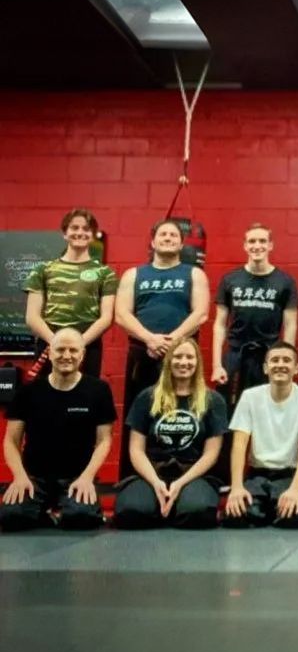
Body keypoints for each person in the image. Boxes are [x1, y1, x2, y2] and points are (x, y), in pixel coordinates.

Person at [114, 219, 210, 477]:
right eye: (163, 234)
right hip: (143, 352)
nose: (168, 238)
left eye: (173, 235)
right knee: (141, 413)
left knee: (181, 413)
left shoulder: (194, 274)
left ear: (181, 243)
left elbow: (200, 313)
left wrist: (172, 342)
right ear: (153, 242)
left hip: (181, 355)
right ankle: (133, 477)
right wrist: (150, 339)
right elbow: (122, 314)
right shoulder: (134, 275)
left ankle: (182, 475)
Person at [0, 329, 115, 532]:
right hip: (34, 479)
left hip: (76, 478)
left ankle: (68, 510)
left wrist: (87, 478)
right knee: (11, 517)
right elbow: (11, 440)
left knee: (81, 517)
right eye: (60, 350)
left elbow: (105, 440)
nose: (66, 356)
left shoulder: (99, 390)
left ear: (82, 355)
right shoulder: (28, 391)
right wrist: (19, 477)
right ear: (50, 353)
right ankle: (43, 514)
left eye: (73, 350)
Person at [114, 337, 227, 529]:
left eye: (189, 357)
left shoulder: (213, 400)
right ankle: (160, 501)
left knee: (198, 514)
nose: (184, 362)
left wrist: (180, 483)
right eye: (178, 357)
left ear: (197, 362)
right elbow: (136, 450)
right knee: (130, 513)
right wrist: (156, 482)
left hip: (192, 473)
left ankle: (177, 502)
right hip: (153, 472)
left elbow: (211, 454)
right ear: (168, 361)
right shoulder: (147, 397)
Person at [223, 341, 298, 529]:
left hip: (289, 475)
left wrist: (295, 489)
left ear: (296, 368)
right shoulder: (250, 397)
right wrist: (236, 487)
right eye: (274, 360)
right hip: (257, 475)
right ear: (266, 368)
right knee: (235, 517)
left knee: (295, 518)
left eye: (287, 360)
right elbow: (239, 444)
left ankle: (269, 509)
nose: (280, 364)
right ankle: (266, 508)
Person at [212, 223, 298, 410]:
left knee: (264, 410)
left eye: (262, 241)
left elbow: (291, 326)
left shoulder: (285, 282)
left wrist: (287, 362)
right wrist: (216, 365)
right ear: (245, 245)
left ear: (270, 245)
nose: (257, 245)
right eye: (252, 241)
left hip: (268, 357)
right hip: (236, 356)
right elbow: (219, 324)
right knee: (229, 411)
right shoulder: (230, 280)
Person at [23, 208, 117, 379]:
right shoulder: (42, 270)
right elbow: (32, 317)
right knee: (46, 398)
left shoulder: (105, 273)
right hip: (49, 342)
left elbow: (106, 318)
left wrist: (78, 343)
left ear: (93, 234)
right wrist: (56, 342)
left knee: (84, 397)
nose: (80, 232)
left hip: (88, 345)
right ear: (64, 233)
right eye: (74, 228)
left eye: (86, 229)